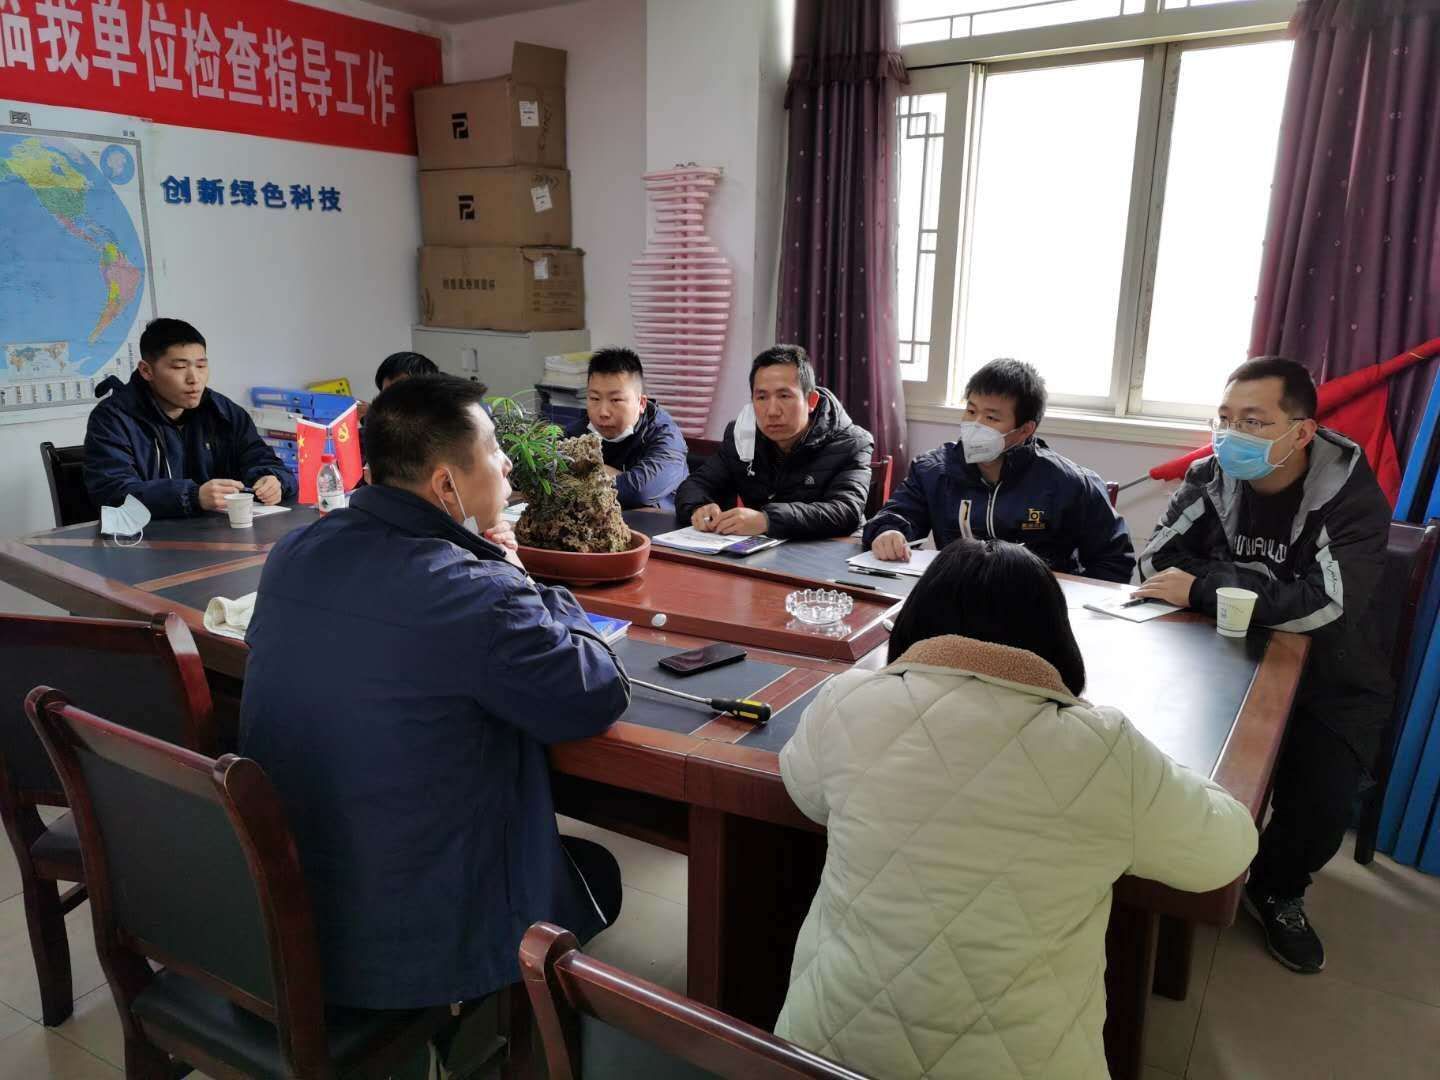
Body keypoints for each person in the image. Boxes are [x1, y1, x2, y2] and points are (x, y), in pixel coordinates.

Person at [775, 539, 1257, 1080]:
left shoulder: (848, 699)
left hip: (819, 1054)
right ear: (1055, 636)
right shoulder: (1102, 748)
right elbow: (1225, 852)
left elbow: (805, 790)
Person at [240, 374, 630, 1011]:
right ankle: (473, 1023)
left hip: (290, 896)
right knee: (600, 876)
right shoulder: (478, 593)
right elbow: (596, 693)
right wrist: (531, 585)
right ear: (447, 485)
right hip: (412, 931)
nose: (507, 464)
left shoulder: (295, 551)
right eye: (494, 449)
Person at [1134, 356, 1392, 975]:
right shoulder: (1210, 476)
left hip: (1331, 675)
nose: (1232, 436)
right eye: (1224, 419)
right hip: (1219, 656)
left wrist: (1207, 586)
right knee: (1165, 754)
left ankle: (1277, 889)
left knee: (1322, 804)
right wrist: (1255, 592)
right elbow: (1153, 565)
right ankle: (1177, 875)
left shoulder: (1351, 495)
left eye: (1253, 421)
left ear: (1301, 432)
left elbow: (1326, 607)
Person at [863, 358, 1135, 582]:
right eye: (971, 412)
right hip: (955, 599)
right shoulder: (933, 471)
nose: (976, 424)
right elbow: (896, 515)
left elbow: (1114, 561)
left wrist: (1065, 601)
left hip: (1038, 606)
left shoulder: (1070, 483)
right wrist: (888, 533)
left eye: (991, 417)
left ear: (1025, 430)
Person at [83, 317, 296, 517]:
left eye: (201, 366)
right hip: (148, 540)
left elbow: (265, 460)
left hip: (221, 535)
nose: (194, 378)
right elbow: (112, 493)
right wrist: (192, 497)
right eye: (179, 367)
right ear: (146, 371)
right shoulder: (113, 419)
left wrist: (274, 480)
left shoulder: (223, 412)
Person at [674, 345, 874, 539]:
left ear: (811, 401)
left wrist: (767, 520)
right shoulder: (742, 435)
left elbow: (845, 510)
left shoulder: (852, 442)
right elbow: (695, 485)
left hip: (834, 550)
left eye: (784, 396)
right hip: (764, 549)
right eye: (761, 397)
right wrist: (699, 507)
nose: (772, 411)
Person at [563, 347, 688, 511]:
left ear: (641, 403)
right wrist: (618, 478)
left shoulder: (666, 437)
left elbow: (640, 491)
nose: (603, 412)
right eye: (594, 398)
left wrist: (588, 473)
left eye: (615, 400)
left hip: (658, 523)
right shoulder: (578, 431)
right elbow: (549, 476)